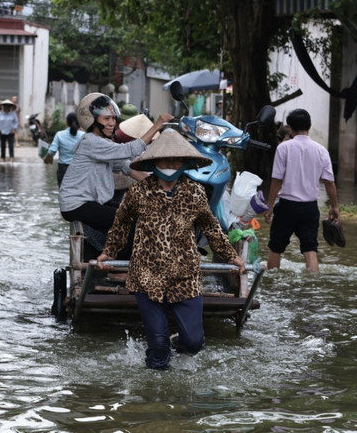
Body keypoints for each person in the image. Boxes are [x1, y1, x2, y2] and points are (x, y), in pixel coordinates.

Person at [96, 129, 246, 369]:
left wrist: (231, 256)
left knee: (193, 343)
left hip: (185, 276)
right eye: (165, 160)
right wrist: (109, 252)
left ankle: (175, 347)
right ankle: (156, 388)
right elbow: (121, 223)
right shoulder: (139, 192)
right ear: (153, 163)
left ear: (185, 163)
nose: (170, 165)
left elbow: (211, 227)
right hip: (147, 275)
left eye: (176, 160)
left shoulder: (195, 192)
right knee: (157, 348)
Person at [58, 93, 170, 234]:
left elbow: (127, 167)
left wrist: (162, 188)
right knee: (129, 220)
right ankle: (125, 248)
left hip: (89, 203)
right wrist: (157, 125)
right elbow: (130, 149)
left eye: (113, 118)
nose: (112, 123)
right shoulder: (91, 142)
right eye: (106, 118)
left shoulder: (103, 143)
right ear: (91, 120)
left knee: (134, 213)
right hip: (76, 205)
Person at [262, 109, 339, 273]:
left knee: (276, 247)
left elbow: (276, 180)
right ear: (310, 126)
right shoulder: (321, 150)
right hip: (310, 207)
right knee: (310, 248)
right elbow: (329, 183)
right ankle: (313, 281)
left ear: (290, 128)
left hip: (287, 206)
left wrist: (269, 206)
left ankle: (272, 279)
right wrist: (334, 206)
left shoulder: (284, 148)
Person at [43, 112, 84, 186]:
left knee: (63, 192)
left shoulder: (59, 135)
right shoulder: (83, 136)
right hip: (79, 169)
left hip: (63, 170)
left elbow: (52, 151)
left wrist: (47, 159)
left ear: (67, 123)